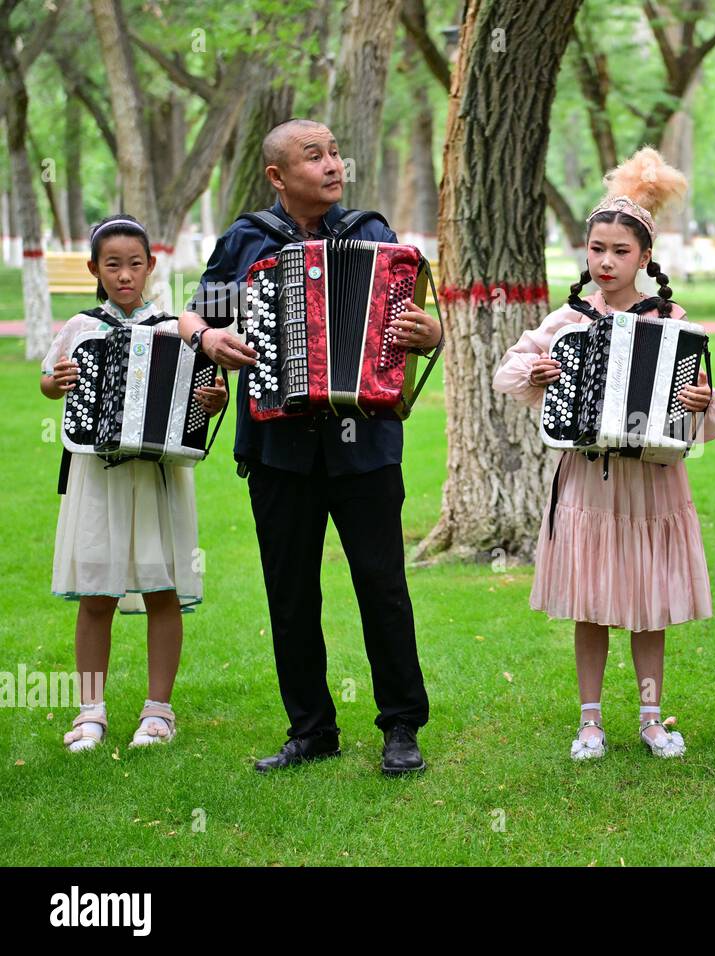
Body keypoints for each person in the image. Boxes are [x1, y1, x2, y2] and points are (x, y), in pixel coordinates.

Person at [177, 119, 441, 775]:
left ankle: (401, 728)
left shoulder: (372, 234)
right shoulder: (246, 241)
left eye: (334, 153)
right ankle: (311, 730)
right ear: (277, 176)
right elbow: (195, 314)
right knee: (290, 594)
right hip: (277, 449)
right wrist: (210, 342)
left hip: (365, 447)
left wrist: (428, 332)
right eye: (313, 156)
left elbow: (411, 329)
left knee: (383, 588)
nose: (332, 165)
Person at [493, 148, 715, 760]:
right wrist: (541, 370)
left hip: (651, 482)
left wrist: (699, 401)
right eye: (597, 249)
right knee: (592, 601)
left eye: (621, 252)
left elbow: (707, 404)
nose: (606, 261)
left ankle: (652, 718)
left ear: (645, 259)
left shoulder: (671, 320)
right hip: (589, 482)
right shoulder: (568, 319)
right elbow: (509, 370)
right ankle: (590, 721)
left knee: (648, 603)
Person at [41, 214, 226, 752]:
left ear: (151, 266)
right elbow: (50, 380)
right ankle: (91, 712)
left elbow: (204, 394)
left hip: (158, 476)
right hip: (97, 476)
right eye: (113, 265)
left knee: (162, 588)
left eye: (135, 264)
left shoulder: (174, 328)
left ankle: (158, 711)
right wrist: (59, 381)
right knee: (96, 592)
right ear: (94, 268)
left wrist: (213, 401)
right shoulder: (81, 327)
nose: (125, 275)